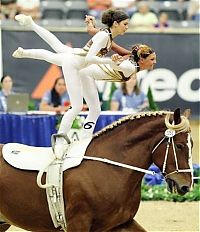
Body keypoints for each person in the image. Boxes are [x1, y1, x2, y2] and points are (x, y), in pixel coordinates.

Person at [12, 9, 130, 157]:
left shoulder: (107, 35)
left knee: (54, 49)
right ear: (116, 23)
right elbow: (89, 59)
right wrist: (110, 61)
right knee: (77, 106)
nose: (127, 27)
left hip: (75, 56)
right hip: (74, 63)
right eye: (125, 24)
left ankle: (30, 29)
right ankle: (60, 140)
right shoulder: (104, 36)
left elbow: (91, 44)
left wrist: (91, 23)